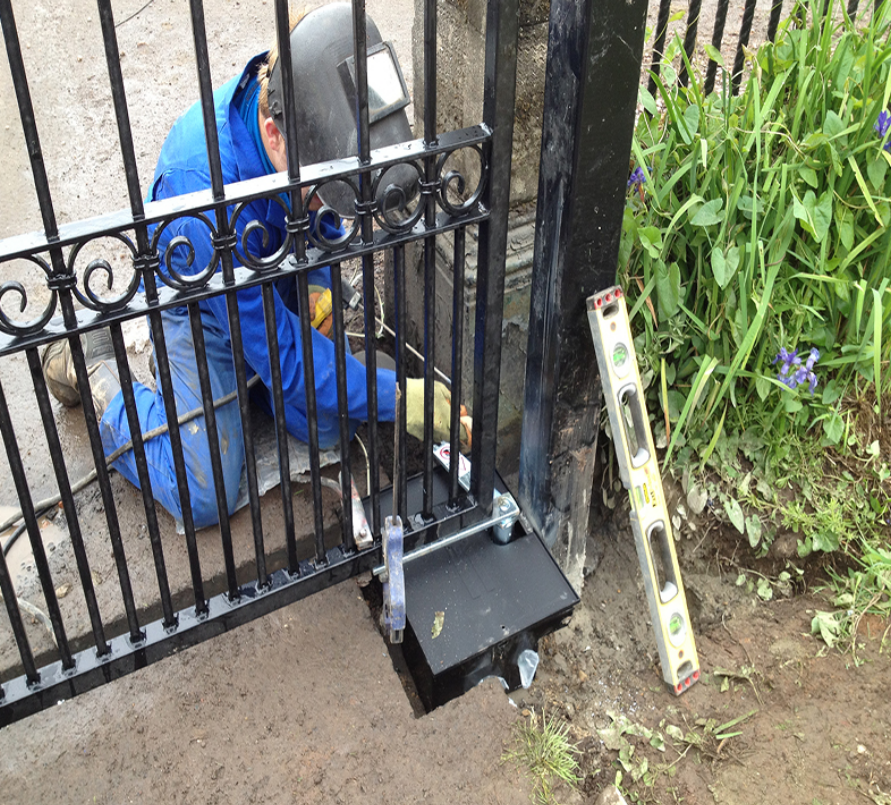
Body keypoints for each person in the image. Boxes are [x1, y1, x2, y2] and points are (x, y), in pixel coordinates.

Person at [42, 4, 470, 529]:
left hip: (272, 261)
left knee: (325, 426)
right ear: (272, 135)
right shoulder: (203, 196)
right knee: (206, 490)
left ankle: (234, 381)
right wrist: (399, 398)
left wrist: (316, 282)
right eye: (325, 191)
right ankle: (94, 372)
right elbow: (287, 359)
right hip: (200, 300)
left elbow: (325, 214)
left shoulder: (301, 109)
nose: (331, 204)